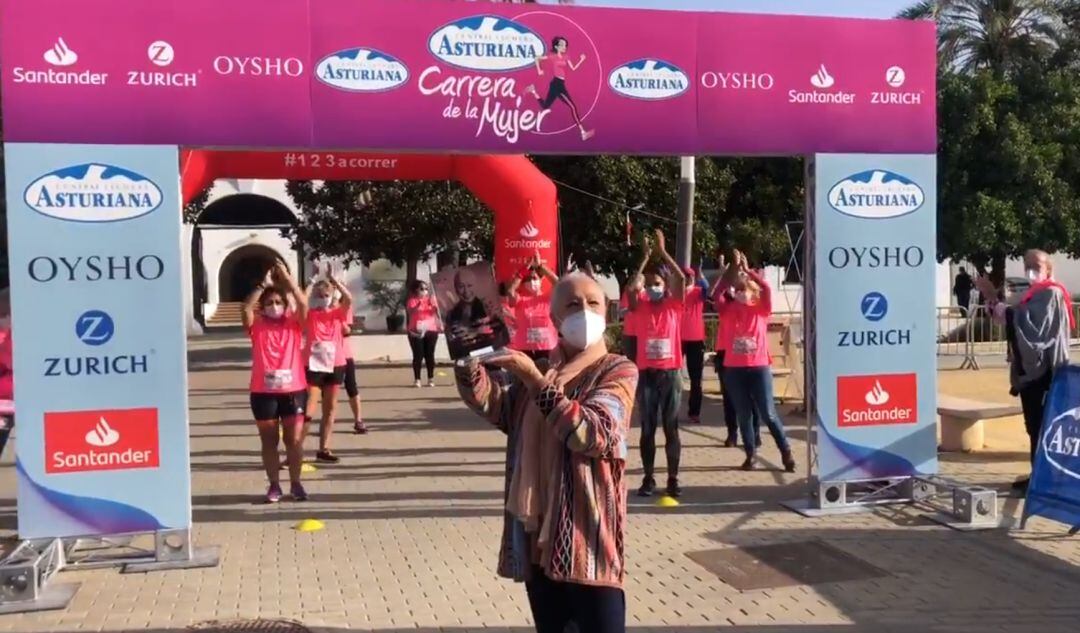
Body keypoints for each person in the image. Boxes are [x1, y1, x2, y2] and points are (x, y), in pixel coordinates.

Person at [455, 272, 637, 633]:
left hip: (588, 541)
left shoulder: (617, 370)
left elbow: (591, 433)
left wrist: (534, 380)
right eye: (572, 304)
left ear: (607, 312)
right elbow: (497, 407)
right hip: (539, 538)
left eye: (593, 303)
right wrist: (468, 359)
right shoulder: (540, 370)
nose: (584, 311)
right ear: (554, 319)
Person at [975, 250, 1073, 491]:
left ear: (1048, 268)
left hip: (1045, 371)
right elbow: (1008, 319)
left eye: (1036, 264)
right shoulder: (1032, 294)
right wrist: (991, 299)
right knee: (1034, 426)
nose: (1031, 268)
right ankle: (1037, 476)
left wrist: (997, 302)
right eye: (1027, 264)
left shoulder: (1051, 293)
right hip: (1032, 371)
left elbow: (1031, 328)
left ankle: (1045, 481)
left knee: (1042, 426)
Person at [716, 250, 795, 472]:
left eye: (745, 289)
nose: (740, 293)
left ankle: (786, 451)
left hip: (758, 367)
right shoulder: (729, 310)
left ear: (753, 292)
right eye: (738, 289)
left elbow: (768, 289)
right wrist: (732, 268)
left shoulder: (761, 310)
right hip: (735, 369)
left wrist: (748, 270)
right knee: (744, 414)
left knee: (768, 413)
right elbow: (718, 294)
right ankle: (750, 454)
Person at [242, 262, 310, 503]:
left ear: (285, 305)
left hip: (293, 391)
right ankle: (273, 486)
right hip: (263, 392)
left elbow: (303, 304)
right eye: (269, 303)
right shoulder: (257, 327)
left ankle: (296, 483)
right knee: (269, 441)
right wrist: (264, 284)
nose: (274, 306)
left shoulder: (293, 324)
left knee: (293, 440)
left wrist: (288, 279)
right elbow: (247, 307)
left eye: (278, 303)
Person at [628, 230, 687, 498]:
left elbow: (682, 278)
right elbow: (631, 289)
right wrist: (644, 259)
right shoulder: (640, 305)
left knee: (671, 426)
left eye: (657, 284)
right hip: (647, 374)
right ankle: (648, 477)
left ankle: (673, 478)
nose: (652, 288)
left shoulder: (674, 305)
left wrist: (663, 254)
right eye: (649, 284)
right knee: (648, 428)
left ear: (665, 286)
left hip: (670, 373)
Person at [304, 266, 353, 464]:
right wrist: (311, 283)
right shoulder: (309, 315)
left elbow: (349, 299)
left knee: (330, 408)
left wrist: (335, 280)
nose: (323, 297)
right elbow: (298, 301)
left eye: (326, 294)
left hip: (335, 364)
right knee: (309, 409)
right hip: (314, 365)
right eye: (319, 294)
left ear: (332, 295)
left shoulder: (337, 314)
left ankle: (324, 448)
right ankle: (295, 448)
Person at [525, 36, 594, 141]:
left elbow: (573, 68)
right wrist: (539, 70)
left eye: (565, 45)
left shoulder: (566, 57)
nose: (564, 47)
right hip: (557, 84)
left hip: (560, 84)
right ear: (556, 46)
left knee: (545, 106)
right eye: (562, 45)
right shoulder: (552, 56)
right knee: (573, 107)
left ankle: (533, 91)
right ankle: (582, 132)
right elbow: (537, 58)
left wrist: (581, 60)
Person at [507, 251, 560, 365]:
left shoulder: (548, 299)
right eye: (528, 279)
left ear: (541, 280)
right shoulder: (520, 300)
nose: (532, 282)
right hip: (524, 349)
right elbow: (510, 291)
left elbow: (559, 284)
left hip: (547, 348)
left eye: (535, 278)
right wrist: (523, 270)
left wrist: (541, 266)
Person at [445, 266, 503, 358]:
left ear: (475, 286)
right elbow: (451, 340)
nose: (466, 291)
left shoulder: (488, 308)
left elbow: (500, 333)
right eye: (461, 286)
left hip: (490, 356)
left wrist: (475, 332)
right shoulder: (451, 314)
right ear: (455, 288)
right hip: (466, 359)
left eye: (469, 285)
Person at [681, 266, 707, 424]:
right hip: (677, 338)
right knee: (672, 377)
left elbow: (706, 289)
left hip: (696, 339)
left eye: (689, 277)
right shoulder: (675, 293)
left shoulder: (697, 291)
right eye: (684, 277)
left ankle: (694, 411)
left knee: (696, 379)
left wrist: (701, 275)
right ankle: (671, 409)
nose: (686, 279)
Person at [406, 279, 441, 388]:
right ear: (416, 290)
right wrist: (418, 305)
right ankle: (417, 379)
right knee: (418, 355)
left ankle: (431, 378)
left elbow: (438, 313)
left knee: (429, 354)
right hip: (416, 331)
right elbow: (411, 312)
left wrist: (434, 306)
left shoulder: (431, 300)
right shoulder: (412, 300)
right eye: (422, 289)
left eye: (426, 289)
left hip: (431, 329)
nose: (424, 291)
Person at [338, 303, 367, 434]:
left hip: (344, 354)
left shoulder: (345, 307)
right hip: (323, 357)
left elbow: (347, 331)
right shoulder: (316, 309)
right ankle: (325, 421)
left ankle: (358, 420)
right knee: (325, 392)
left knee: (351, 386)